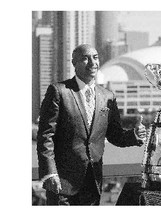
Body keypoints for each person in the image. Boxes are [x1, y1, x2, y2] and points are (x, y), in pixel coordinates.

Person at [36, 44, 147, 205]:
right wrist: (50, 174)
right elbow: (46, 136)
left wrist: (134, 135)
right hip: (61, 183)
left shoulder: (108, 96)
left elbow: (115, 135)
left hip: (93, 184)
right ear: (74, 63)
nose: (92, 62)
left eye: (95, 57)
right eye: (85, 58)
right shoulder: (59, 91)